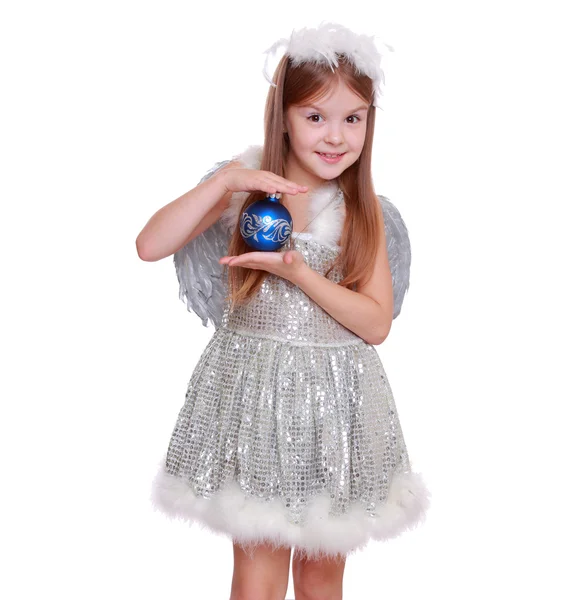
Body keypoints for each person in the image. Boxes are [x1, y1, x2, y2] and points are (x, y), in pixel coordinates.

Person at [137, 22, 431, 600]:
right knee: (257, 574)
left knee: (322, 574)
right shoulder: (245, 191)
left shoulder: (363, 212)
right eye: (315, 116)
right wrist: (225, 181)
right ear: (283, 117)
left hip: (338, 407)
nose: (335, 136)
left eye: (353, 118)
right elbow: (150, 244)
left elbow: (375, 324)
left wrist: (298, 271)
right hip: (256, 400)